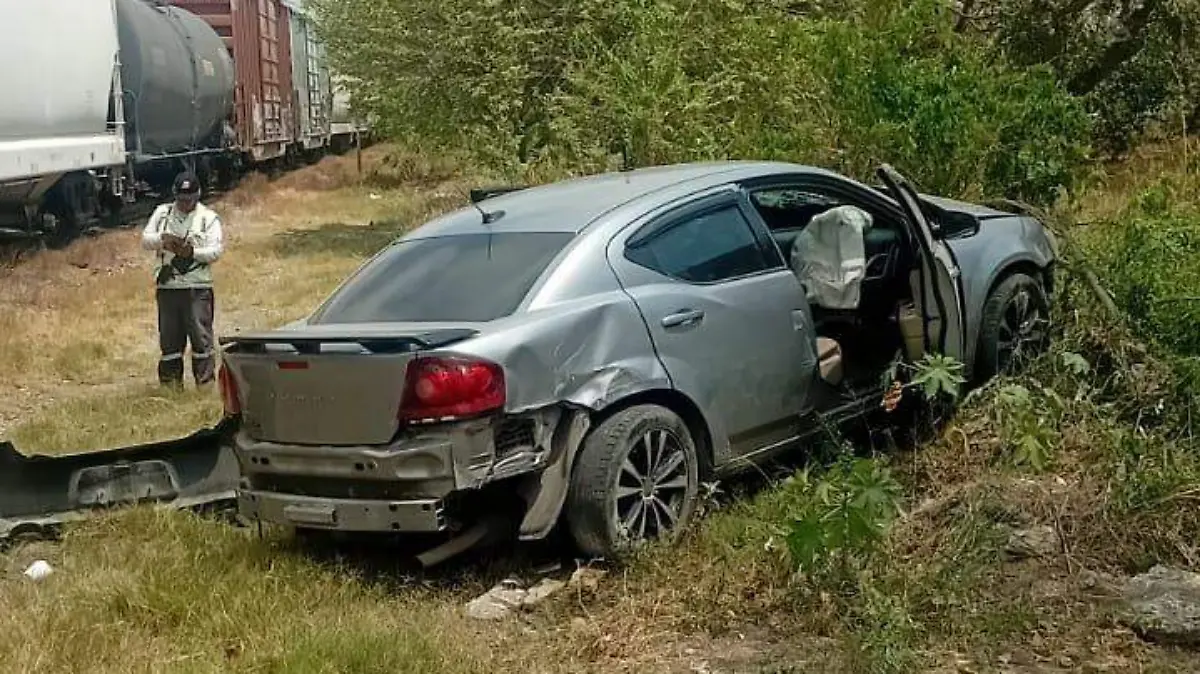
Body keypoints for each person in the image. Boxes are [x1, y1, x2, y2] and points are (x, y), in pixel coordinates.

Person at [140, 171, 225, 388]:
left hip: (197, 287)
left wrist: (192, 253)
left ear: (198, 195)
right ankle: (170, 386)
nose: (185, 203)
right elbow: (145, 239)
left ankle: (204, 385)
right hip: (168, 287)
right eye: (181, 199)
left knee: (201, 337)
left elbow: (215, 251)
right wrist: (163, 240)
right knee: (169, 340)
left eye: (189, 199)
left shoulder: (208, 218)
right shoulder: (162, 213)